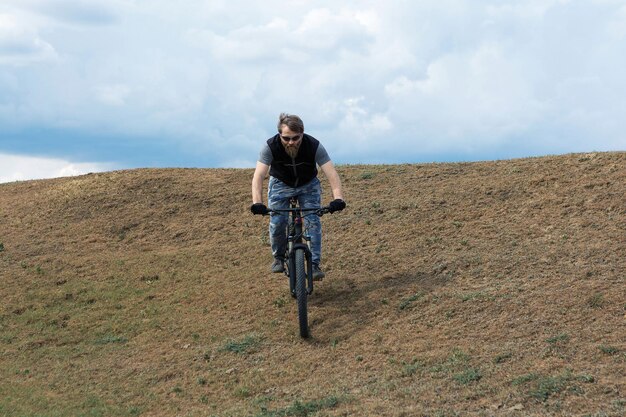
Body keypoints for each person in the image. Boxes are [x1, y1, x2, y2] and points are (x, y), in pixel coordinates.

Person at [250, 113, 346, 280]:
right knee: (278, 221)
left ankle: (314, 264)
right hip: (281, 184)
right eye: (286, 138)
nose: (291, 142)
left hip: (308, 185)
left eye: (296, 138)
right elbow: (258, 176)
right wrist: (257, 202)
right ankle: (278, 258)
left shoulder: (314, 145)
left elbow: (331, 173)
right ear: (279, 134)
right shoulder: (270, 146)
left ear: (302, 133)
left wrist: (338, 198)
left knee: (313, 221)